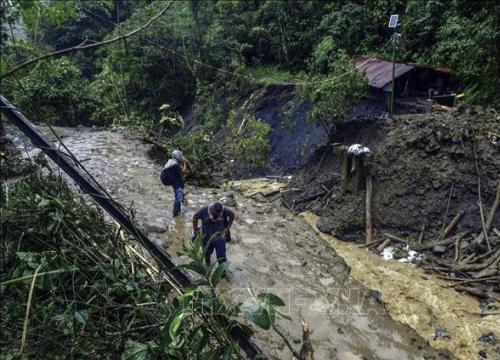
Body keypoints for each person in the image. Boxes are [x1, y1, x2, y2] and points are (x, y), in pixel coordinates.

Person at [192, 202, 235, 266]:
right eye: (214, 214)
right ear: (212, 210)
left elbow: (232, 215)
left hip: (220, 237)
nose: (216, 217)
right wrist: (196, 230)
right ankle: (208, 266)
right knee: (207, 254)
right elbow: (195, 217)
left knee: (222, 257)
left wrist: (227, 228)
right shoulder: (204, 210)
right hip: (206, 238)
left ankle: (222, 273)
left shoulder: (224, 210)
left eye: (218, 215)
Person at [161, 150, 191, 217]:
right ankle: (175, 214)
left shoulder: (171, 162)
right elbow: (183, 171)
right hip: (169, 178)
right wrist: (185, 163)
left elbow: (181, 172)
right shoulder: (175, 164)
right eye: (180, 156)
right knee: (178, 197)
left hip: (166, 178)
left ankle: (181, 202)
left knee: (179, 183)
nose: (181, 157)